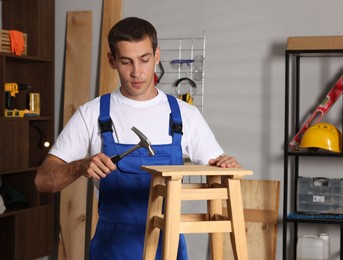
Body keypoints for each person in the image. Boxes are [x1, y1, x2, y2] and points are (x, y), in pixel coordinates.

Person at [35, 17, 241, 260]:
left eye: (144, 59)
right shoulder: (92, 114)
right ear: (112, 61)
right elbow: (42, 181)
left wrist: (226, 164)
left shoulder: (185, 115)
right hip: (112, 248)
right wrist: (80, 166)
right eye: (126, 61)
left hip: (168, 246)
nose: (137, 72)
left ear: (157, 55)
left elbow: (217, 169)